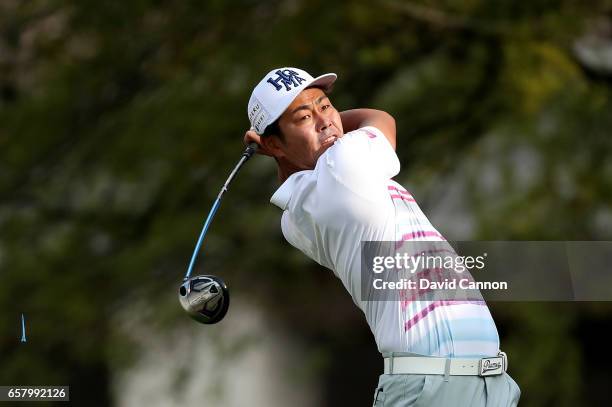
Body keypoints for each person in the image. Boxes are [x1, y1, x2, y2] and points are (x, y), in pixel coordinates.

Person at [244, 67, 521, 406]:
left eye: (325, 106)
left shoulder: (295, 222)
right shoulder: (344, 162)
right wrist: (319, 125)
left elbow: (293, 174)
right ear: (273, 143)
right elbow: (380, 118)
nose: (325, 120)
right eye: (304, 116)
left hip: (482, 383)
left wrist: (280, 142)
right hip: (432, 387)